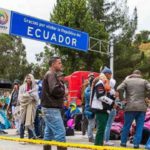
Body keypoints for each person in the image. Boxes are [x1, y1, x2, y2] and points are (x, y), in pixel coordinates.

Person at [117, 69, 150, 148]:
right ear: (140, 74)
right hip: (142, 107)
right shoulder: (144, 81)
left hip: (129, 107)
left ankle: (123, 143)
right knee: (139, 127)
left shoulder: (127, 81)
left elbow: (119, 88)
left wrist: (122, 99)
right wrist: (147, 97)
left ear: (132, 74)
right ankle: (136, 144)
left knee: (126, 125)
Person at [41, 56, 66, 150]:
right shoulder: (51, 74)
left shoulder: (49, 74)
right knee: (61, 132)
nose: (61, 64)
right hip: (51, 108)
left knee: (49, 133)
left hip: (49, 107)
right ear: (53, 64)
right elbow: (54, 90)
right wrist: (63, 91)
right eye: (59, 63)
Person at [90, 66, 115, 146]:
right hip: (100, 109)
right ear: (107, 74)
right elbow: (100, 96)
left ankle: (99, 145)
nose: (111, 76)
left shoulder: (104, 82)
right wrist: (111, 102)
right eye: (110, 74)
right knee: (101, 129)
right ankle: (97, 145)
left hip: (102, 109)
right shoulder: (100, 83)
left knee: (102, 128)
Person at [18, 74, 39, 139]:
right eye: (27, 78)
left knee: (30, 121)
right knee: (22, 121)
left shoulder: (35, 87)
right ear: (25, 79)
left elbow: (36, 97)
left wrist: (27, 95)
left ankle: (30, 137)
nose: (28, 79)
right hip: (23, 106)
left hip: (31, 106)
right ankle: (21, 137)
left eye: (30, 78)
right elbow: (20, 97)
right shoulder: (22, 87)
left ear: (32, 79)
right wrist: (28, 96)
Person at [103, 78, 117, 146]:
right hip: (111, 109)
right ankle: (106, 140)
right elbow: (113, 102)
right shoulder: (112, 91)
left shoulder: (106, 89)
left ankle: (104, 139)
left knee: (106, 125)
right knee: (108, 125)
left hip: (106, 109)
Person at [84, 73, 95, 142]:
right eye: (90, 78)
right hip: (89, 108)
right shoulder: (88, 89)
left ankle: (91, 136)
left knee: (92, 124)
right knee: (91, 123)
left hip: (92, 108)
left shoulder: (90, 88)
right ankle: (90, 137)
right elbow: (89, 96)